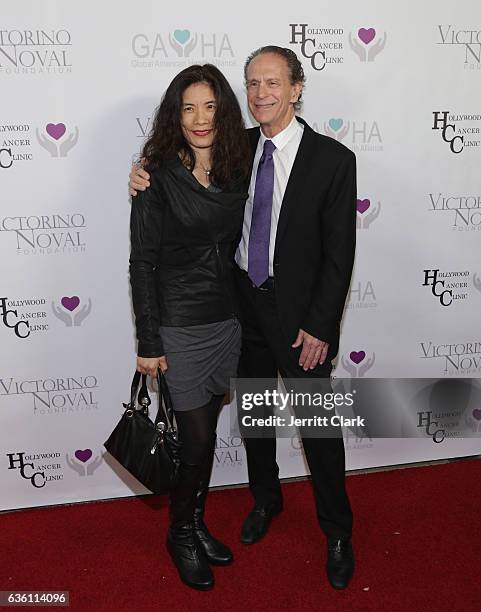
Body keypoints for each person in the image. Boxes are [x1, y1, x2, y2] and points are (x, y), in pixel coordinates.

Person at [130, 46, 357, 590]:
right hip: (242, 310)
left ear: (296, 87)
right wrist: (143, 174)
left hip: (303, 318)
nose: (261, 94)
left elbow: (339, 254)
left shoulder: (333, 159)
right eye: (252, 84)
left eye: (273, 83)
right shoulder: (237, 148)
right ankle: (265, 500)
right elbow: (182, 182)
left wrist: (321, 325)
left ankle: (339, 532)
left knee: (319, 427)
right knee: (256, 418)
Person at [128, 63, 250, 591]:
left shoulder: (236, 162)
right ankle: (180, 533)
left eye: (209, 107)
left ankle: (195, 524)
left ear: (223, 111)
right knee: (196, 441)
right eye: (188, 108)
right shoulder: (156, 174)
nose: (200, 119)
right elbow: (142, 263)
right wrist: (149, 340)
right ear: (174, 115)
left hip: (227, 320)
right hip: (178, 324)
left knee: (203, 438)